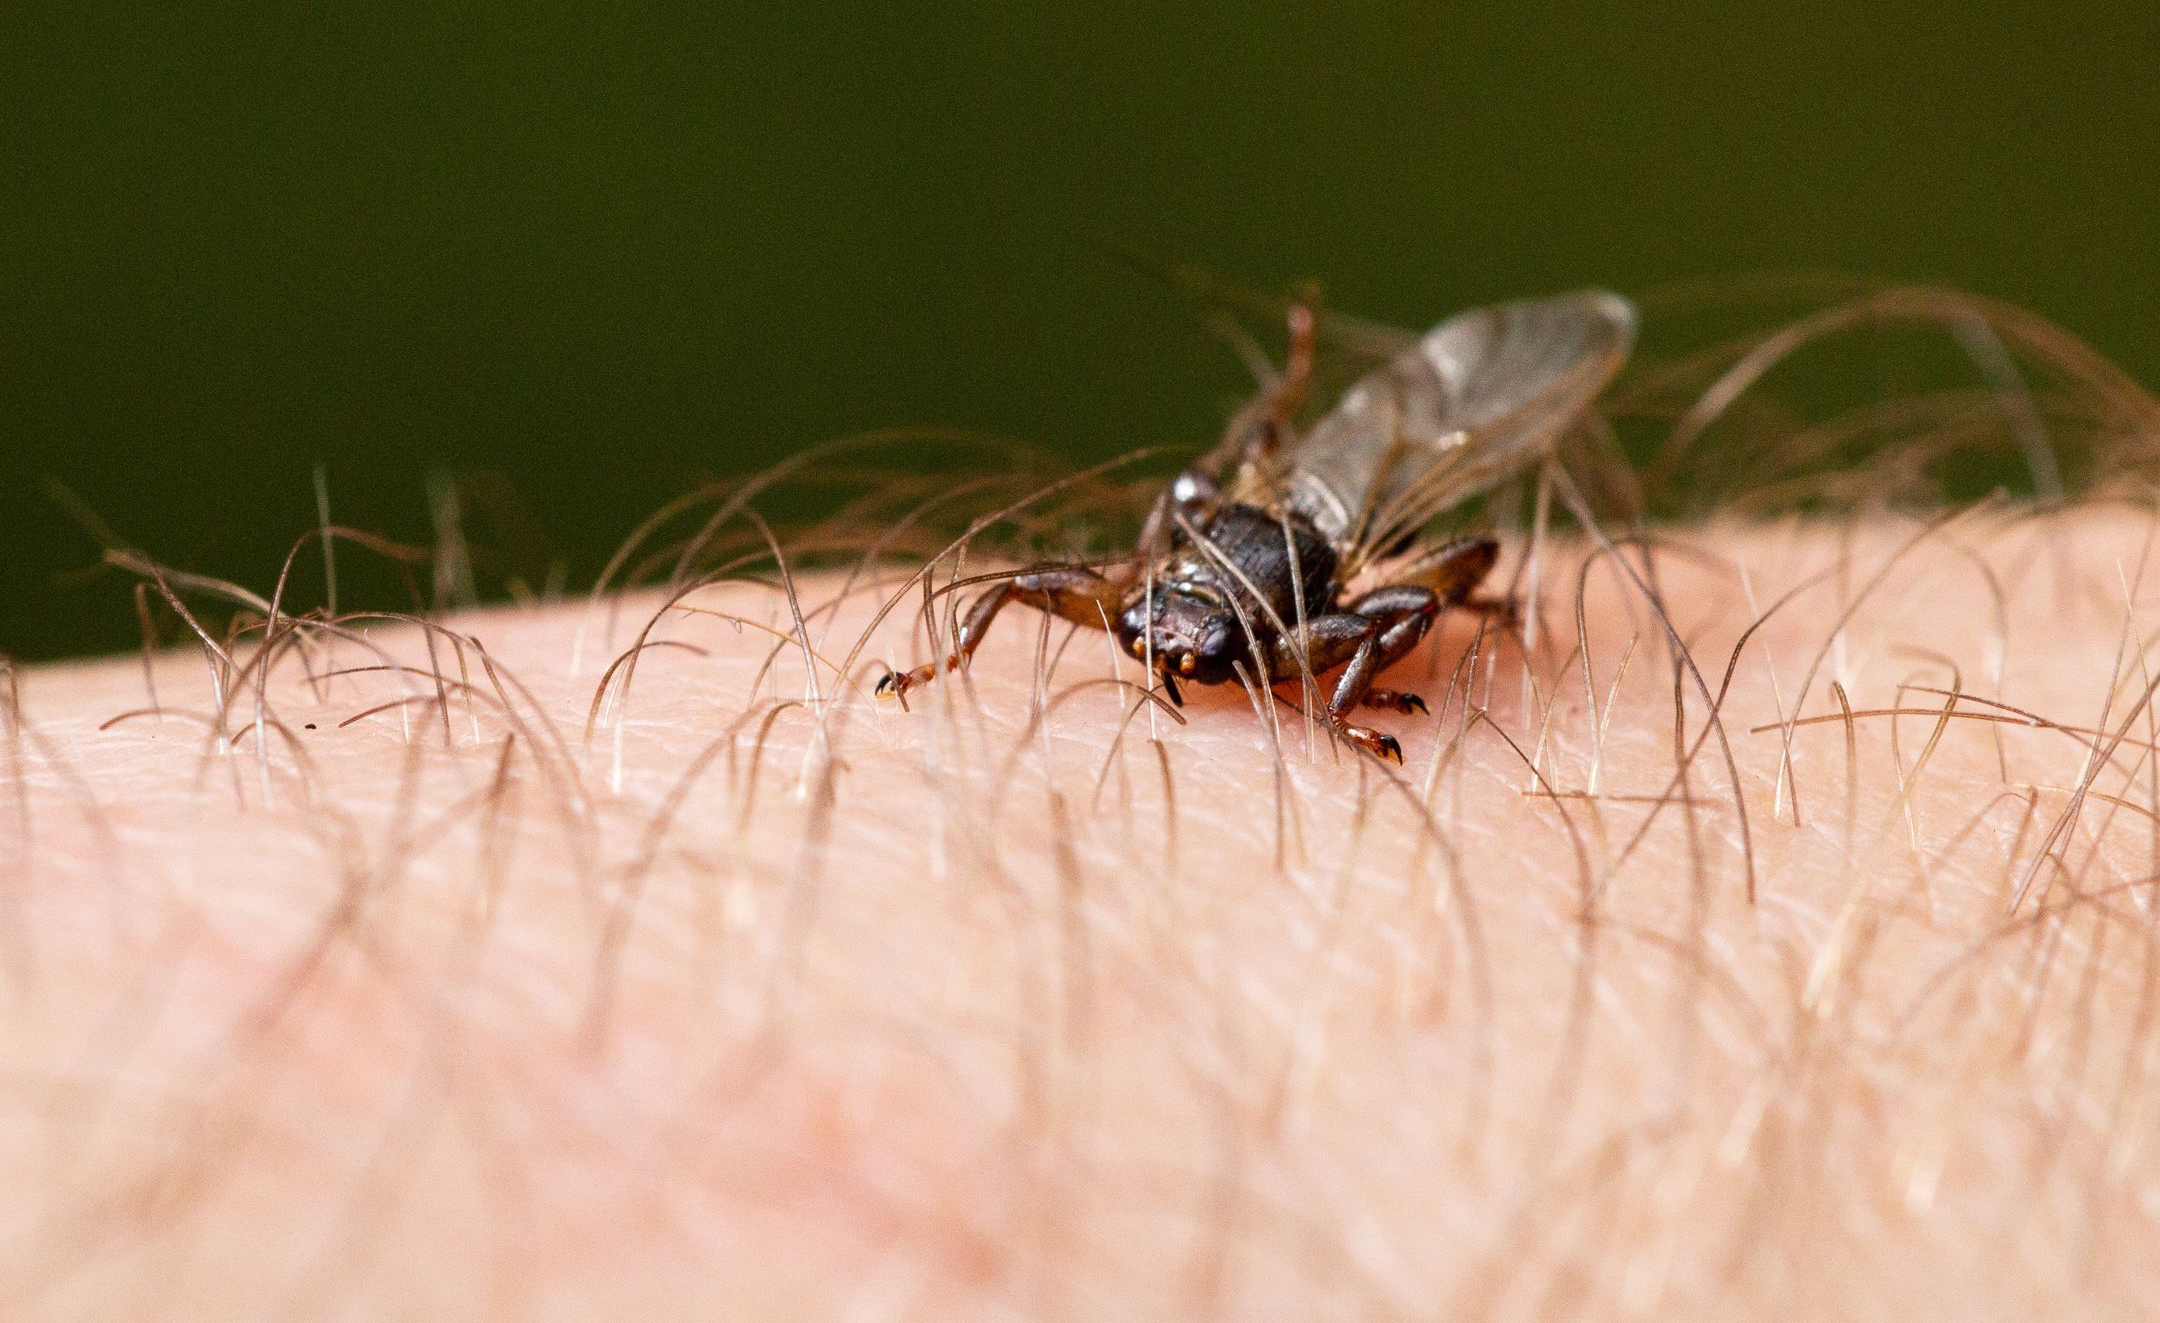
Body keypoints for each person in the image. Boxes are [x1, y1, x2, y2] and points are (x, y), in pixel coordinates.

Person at [4, 488, 2155, 1320]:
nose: (1160, 676)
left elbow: (1392, 605)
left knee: (1466, 599)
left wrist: (1348, 703)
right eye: (1155, 644)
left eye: (1202, 662)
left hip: (1369, 564)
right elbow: (1095, 579)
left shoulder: (1319, 621)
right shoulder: (1134, 600)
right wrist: (960, 663)